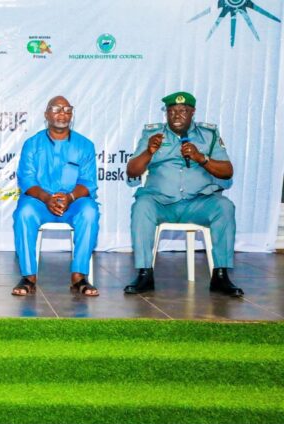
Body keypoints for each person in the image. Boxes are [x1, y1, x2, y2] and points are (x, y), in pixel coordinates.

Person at [124, 91, 243, 297]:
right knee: (141, 206)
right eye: (172, 111)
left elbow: (227, 171)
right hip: (160, 203)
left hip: (198, 203)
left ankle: (220, 276)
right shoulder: (153, 135)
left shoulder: (209, 135)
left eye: (183, 111)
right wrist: (149, 152)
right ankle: (144, 274)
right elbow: (132, 171)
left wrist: (201, 158)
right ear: (166, 113)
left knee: (224, 206)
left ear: (192, 112)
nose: (177, 115)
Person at [12, 96, 100, 296]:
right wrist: (46, 199)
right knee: (24, 213)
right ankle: (28, 276)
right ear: (46, 114)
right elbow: (27, 180)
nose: (63, 114)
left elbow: (88, 182)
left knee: (90, 212)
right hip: (40, 202)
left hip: (73, 203)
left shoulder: (85, 145)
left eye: (67, 110)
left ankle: (79, 277)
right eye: (57, 109)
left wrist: (70, 198)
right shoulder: (32, 144)